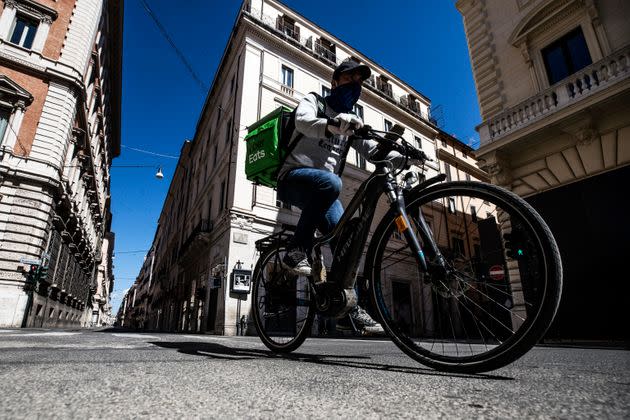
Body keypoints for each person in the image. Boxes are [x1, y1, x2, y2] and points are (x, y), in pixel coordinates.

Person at [277, 60, 403, 335]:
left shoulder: (353, 121)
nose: (354, 85)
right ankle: (295, 251)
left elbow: (373, 151)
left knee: (346, 242)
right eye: (349, 78)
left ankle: (347, 309)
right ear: (335, 82)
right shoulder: (316, 102)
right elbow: (303, 121)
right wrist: (333, 124)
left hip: (325, 190)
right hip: (293, 178)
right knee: (331, 181)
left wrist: (401, 155)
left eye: (359, 81)